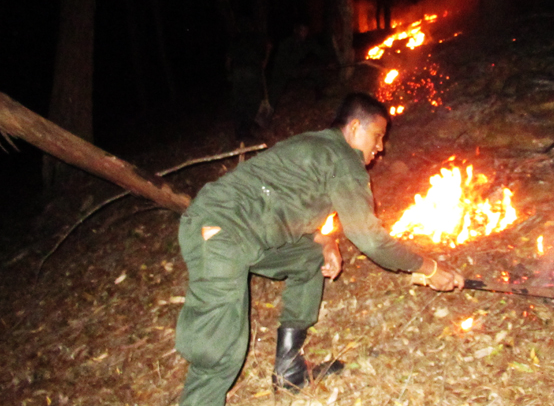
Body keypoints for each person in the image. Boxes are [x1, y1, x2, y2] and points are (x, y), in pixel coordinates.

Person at [175, 92, 465, 405]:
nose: (380, 148)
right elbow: (370, 239)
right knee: (218, 353)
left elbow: (281, 202)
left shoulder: (318, 146)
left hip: (240, 232)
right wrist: (429, 268)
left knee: (309, 258)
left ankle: (290, 368)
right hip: (222, 234)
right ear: (355, 128)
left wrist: (324, 240)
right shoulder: (343, 160)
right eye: (377, 136)